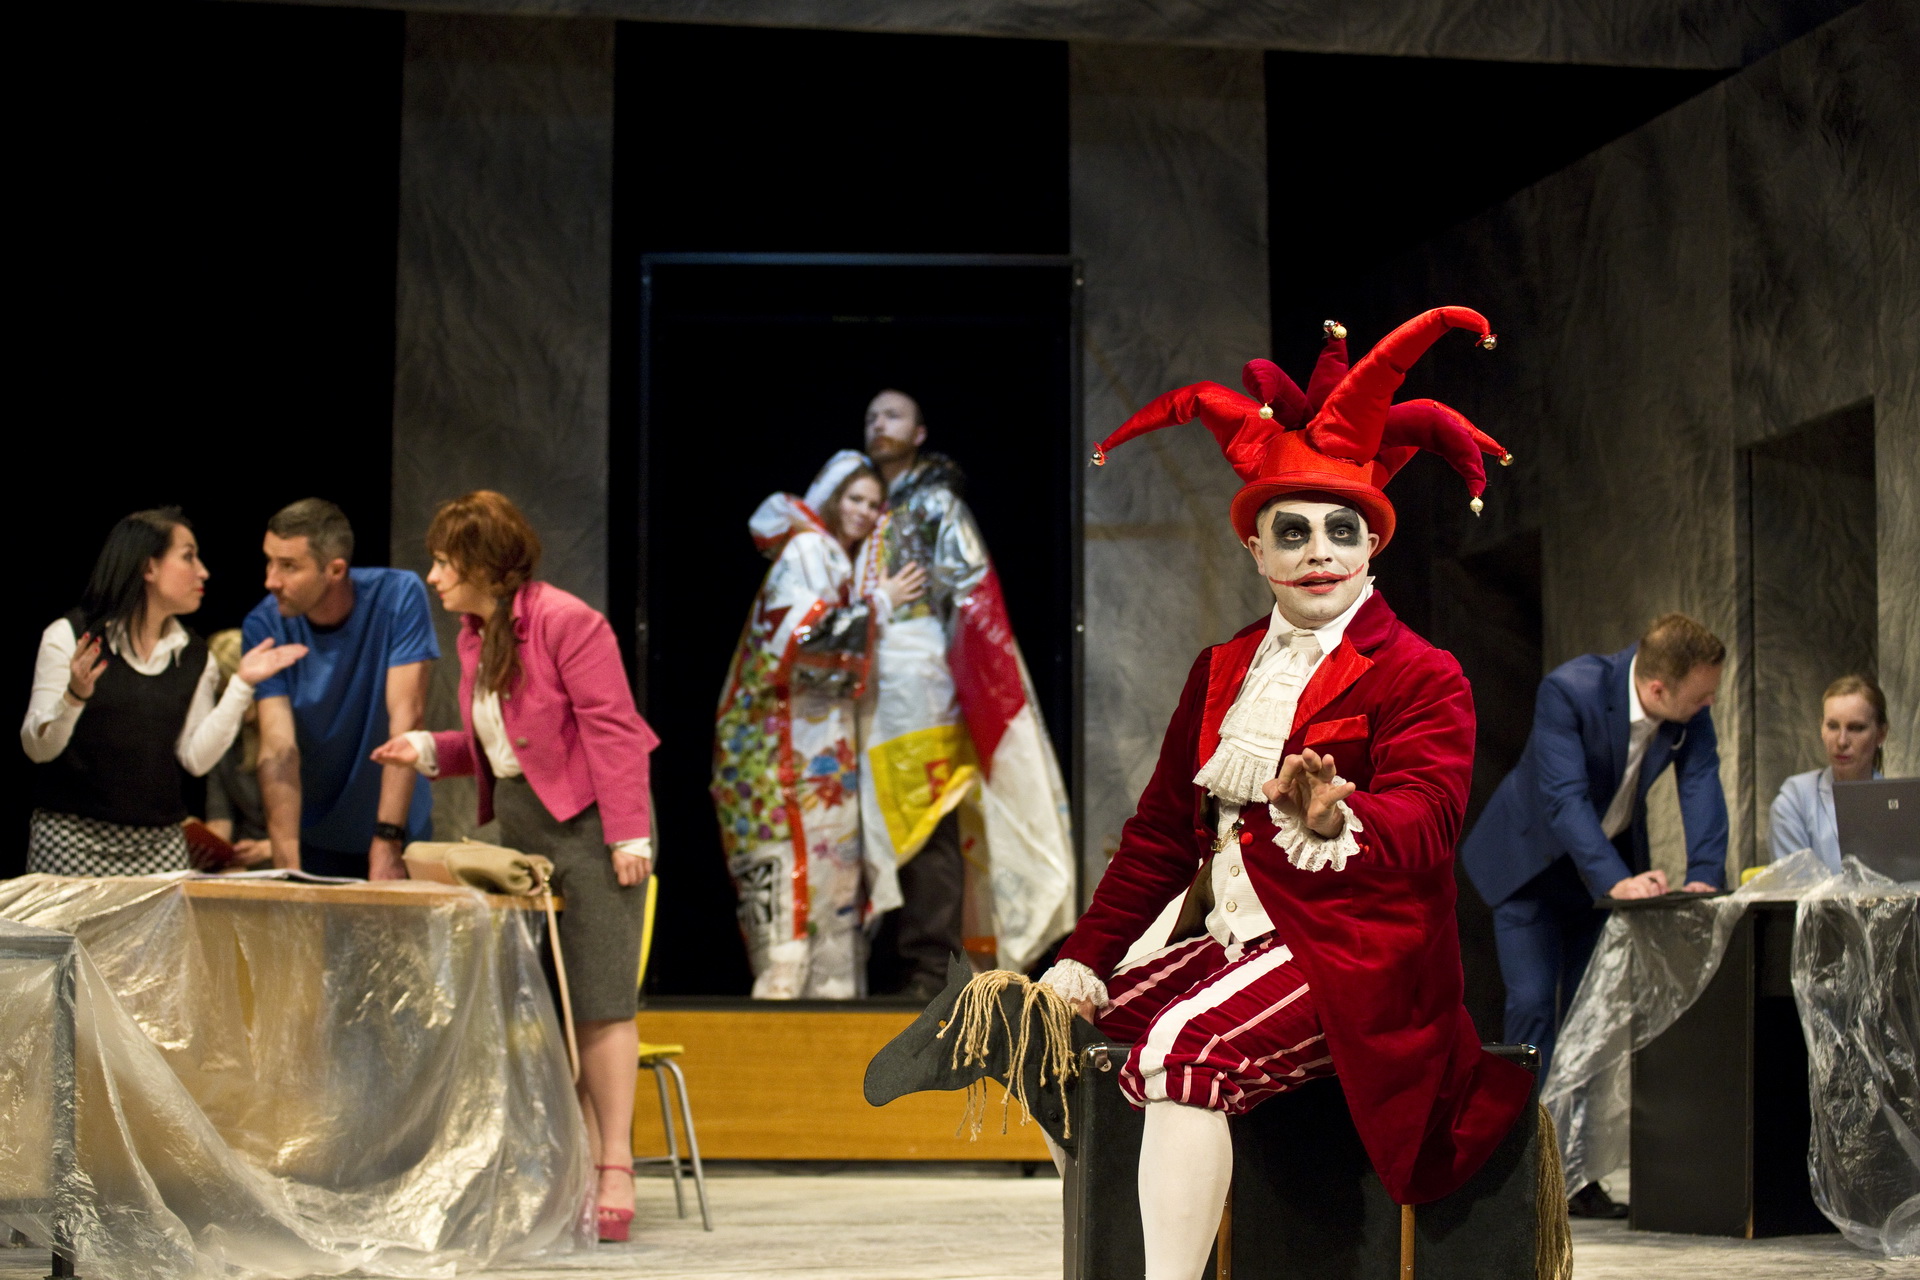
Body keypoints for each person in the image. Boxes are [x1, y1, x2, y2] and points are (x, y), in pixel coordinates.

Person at [1038, 310, 1533, 1280]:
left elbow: (1430, 822)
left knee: (1181, 1050)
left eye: (1341, 531)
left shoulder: (1420, 672)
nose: (1318, 551)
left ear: (1372, 546)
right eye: (1292, 532)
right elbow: (1160, 836)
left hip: (1354, 952)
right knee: (1052, 1035)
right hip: (1238, 939)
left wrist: (1338, 815)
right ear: (1257, 552)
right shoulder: (1221, 668)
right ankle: (1112, 1251)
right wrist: (1086, 956)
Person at [369, 490, 660, 1244]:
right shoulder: (477, 634)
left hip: (591, 825)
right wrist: (428, 749)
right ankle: (572, 1164)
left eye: (446, 562)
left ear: (487, 568)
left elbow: (613, 731)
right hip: (527, 828)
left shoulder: (567, 621)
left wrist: (630, 834)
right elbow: (508, 745)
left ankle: (617, 1164)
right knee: (548, 1001)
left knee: (599, 997)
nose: (434, 576)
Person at [1460, 610, 1729, 1217]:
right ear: (1658, 689)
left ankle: (1576, 1175)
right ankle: (1521, 1170)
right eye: (1702, 695)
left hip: (1601, 878)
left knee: (1590, 1016)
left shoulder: (1690, 709)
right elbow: (1564, 799)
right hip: (1530, 870)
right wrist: (1618, 880)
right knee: (1533, 1005)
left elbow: (1701, 781)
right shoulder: (1570, 690)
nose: (1710, 702)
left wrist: (1705, 874)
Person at [856, 389, 1076, 999]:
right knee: (881, 819)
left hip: (922, 684)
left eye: (893, 415)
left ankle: (931, 968)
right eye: (871, 417)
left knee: (929, 817)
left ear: (920, 432)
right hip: (868, 686)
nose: (879, 425)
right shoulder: (861, 504)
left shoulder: (935, 504)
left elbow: (972, 595)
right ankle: (871, 966)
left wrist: (973, 684)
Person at [713, 451, 927, 998]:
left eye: (874, 505)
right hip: (776, 753)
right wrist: (880, 603)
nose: (863, 512)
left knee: (831, 895)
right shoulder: (808, 549)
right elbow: (801, 643)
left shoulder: (836, 560)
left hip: (817, 752)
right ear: (831, 497)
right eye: (854, 498)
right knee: (790, 893)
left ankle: (829, 1023)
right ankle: (780, 1022)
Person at [21, 509, 305, 874]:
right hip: (71, 838)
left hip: (158, 844)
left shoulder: (194, 656)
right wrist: (74, 696)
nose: (203, 571)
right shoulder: (71, 636)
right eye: (188, 557)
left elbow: (195, 758)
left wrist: (242, 684)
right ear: (148, 567)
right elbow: (38, 749)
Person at [244, 499, 439, 879]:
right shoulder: (264, 624)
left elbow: (407, 719)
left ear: (335, 570)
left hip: (397, 829)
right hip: (316, 838)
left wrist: (387, 841)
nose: (271, 581)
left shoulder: (397, 595)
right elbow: (279, 749)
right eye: (269, 562)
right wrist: (287, 870)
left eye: (288, 566)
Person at [1769, 674, 1888, 871]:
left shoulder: (1899, 805)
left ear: (1881, 734)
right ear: (1821, 728)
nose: (1842, 741)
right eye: (1833, 726)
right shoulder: (1795, 800)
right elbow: (1794, 885)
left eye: (1856, 728)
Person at [202, 629, 272, 865]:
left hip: (302, 853)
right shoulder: (227, 739)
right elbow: (220, 817)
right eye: (221, 693)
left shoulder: (298, 732)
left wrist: (269, 848)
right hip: (245, 858)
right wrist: (208, 847)